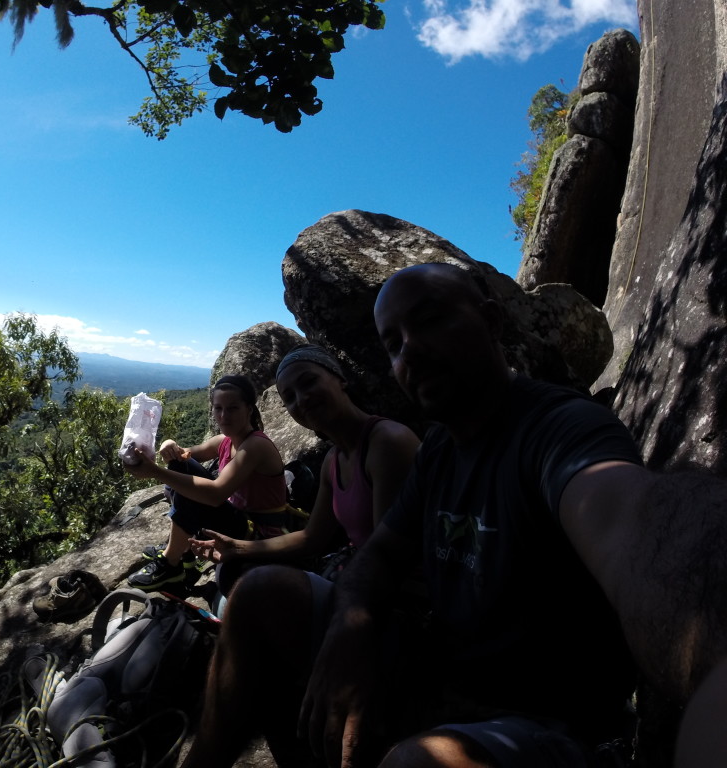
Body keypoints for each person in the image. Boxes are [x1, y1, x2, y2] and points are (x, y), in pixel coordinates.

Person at [180, 262, 727, 768]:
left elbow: (630, 519)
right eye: (393, 343)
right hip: (441, 667)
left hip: (540, 715)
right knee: (256, 596)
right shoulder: (440, 451)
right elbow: (376, 557)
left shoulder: (558, 431)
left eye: (431, 321)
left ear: (491, 322)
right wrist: (352, 627)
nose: (410, 351)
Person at [189, 344, 420, 591]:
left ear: (340, 379)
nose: (302, 399)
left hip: (401, 591)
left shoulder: (386, 443)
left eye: (309, 382)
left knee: (250, 593)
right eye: (289, 397)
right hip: (362, 573)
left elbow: (389, 557)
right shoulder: (333, 461)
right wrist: (234, 548)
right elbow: (312, 538)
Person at [122, 374, 287, 591]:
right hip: (239, 521)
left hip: (257, 534)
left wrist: (154, 472)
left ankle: (171, 564)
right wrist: (169, 445)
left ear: (249, 409)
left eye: (232, 408)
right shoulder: (225, 442)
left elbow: (215, 494)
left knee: (191, 487)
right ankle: (185, 551)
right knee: (181, 470)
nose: (223, 416)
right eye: (218, 408)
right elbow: (183, 457)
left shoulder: (256, 446)